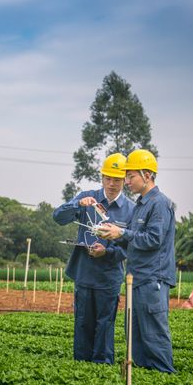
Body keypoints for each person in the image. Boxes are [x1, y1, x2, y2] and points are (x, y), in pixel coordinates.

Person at [97, 149, 176, 373]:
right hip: (138, 279)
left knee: (153, 336)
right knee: (136, 340)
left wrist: (121, 234)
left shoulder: (159, 203)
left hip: (153, 280)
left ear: (147, 175)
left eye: (130, 176)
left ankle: (164, 379)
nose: (126, 181)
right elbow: (133, 240)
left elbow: (153, 239)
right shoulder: (142, 204)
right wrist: (112, 233)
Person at [53, 153, 134, 364]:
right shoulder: (87, 197)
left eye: (117, 179)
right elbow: (58, 217)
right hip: (84, 274)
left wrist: (106, 252)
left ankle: (102, 368)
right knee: (82, 324)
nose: (112, 183)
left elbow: (131, 247)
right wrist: (78, 204)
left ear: (125, 179)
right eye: (108, 178)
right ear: (102, 178)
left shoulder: (131, 210)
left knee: (105, 325)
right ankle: (81, 368)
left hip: (109, 278)